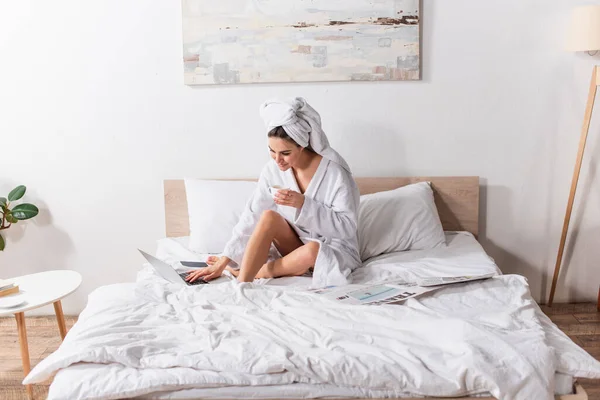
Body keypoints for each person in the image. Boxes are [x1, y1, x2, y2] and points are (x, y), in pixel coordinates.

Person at [185, 97, 361, 287]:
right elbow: (252, 215)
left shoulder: (335, 173)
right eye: (272, 151)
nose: (278, 160)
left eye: (285, 153)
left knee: (312, 251)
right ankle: (242, 283)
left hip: (331, 248)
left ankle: (247, 271)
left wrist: (304, 204)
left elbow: (347, 227)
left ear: (302, 146)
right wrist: (224, 259)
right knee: (269, 216)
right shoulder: (272, 170)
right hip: (293, 245)